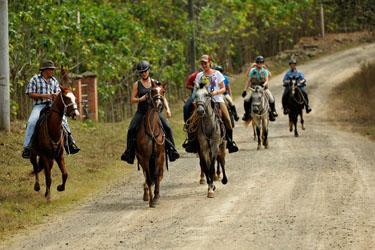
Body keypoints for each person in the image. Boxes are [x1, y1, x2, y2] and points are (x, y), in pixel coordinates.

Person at [121, 60, 180, 164]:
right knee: (131, 129)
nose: (143, 73)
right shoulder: (137, 84)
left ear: (149, 70)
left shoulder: (156, 83)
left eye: (145, 71)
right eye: (141, 72)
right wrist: (142, 99)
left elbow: (163, 98)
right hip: (142, 111)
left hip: (154, 111)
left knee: (167, 127)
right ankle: (129, 153)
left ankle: (172, 150)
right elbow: (133, 99)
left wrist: (168, 109)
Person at [22, 61, 80, 159]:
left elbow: (58, 92)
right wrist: (44, 96)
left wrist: (56, 95)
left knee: (64, 121)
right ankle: (27, 147)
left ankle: (70, 144)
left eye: (53, 69)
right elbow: (30, 93)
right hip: (39, 106)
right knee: (32, 122)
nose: (53, 71)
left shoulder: (54, 80)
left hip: (52, 106)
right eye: (51, 69)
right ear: (45, 70)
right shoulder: (35, 79)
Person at [183, 55, 238, 153]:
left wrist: (215, 93)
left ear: (210, 63)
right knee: (192, 121)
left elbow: (223, 88)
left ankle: (230, 142)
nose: (204, 65)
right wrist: (195, 99)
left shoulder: (217, 74)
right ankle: (191, 142)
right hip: (203, 100)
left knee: (227, 120)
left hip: (217, 99)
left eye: (205, 63)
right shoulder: (199, 75)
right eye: (202, 63)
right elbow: (196, 88)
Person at [242, 56, 278, 121]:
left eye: (261, 62)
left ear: (263, 63)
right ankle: (247, 113)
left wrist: (263, 85)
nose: (259, 64)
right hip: (254, 89)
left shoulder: (265, 71)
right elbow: (248, 80)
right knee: (246, 99)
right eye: (258, 62)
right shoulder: (253, 71)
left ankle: (273, 111)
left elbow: (267, 80)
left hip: (263, 88)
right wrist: (245, 90)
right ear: (256, 63)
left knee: (271, 98)